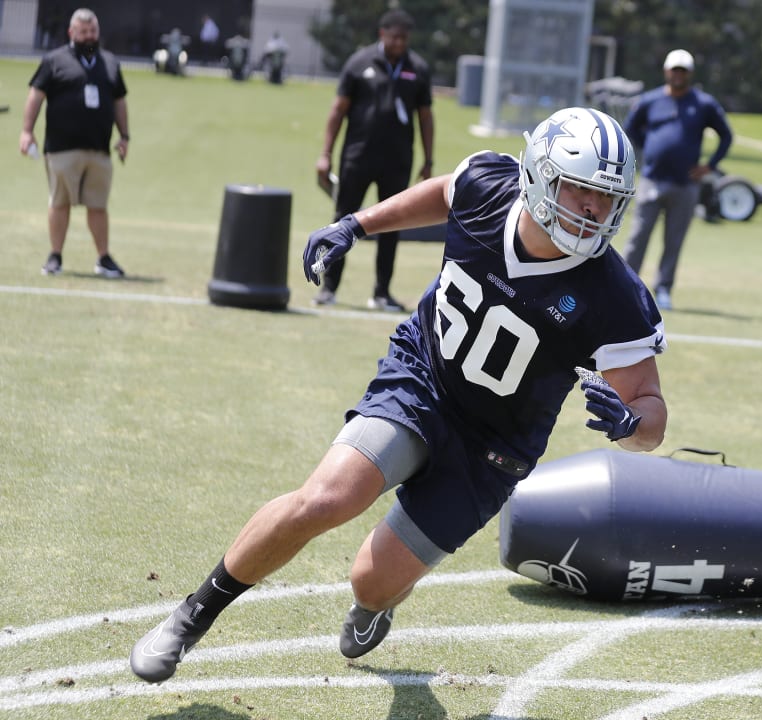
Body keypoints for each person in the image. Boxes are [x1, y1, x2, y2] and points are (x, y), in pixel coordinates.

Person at [130, 106, 668, 684]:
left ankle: (377, 603)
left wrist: (629, 424)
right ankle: (192, 615)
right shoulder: (490, 185)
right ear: (538, 176)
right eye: (581, 190)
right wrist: (356, 225)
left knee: (370, 580)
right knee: (326, 499)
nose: (593, 212)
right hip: (423, 378)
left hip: (493, 449)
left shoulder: (614, 296)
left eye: (607, 199)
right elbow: (445, 194)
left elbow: (651, 413)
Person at [314, 9, 435, 311]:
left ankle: (382, 293)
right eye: (394, 37)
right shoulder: (359, 63)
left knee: (392, 224)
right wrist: (325, 154)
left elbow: (425, 117)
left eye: (404, 38)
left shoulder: (417, 69)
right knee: (343, 219)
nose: (399, 43)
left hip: (397, 161)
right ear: (382, 34)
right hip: (357, 157)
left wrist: (428, 159)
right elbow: (337, 111)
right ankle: (328, 288)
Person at [619, 48, 733, 311]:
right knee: (637, 237)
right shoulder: (650, 100)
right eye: (675, 70)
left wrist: (710, 166)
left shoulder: (703, 104)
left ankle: (663, 289)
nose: (678, 75)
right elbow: (630, 129)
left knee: (674, 241)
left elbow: (726, 136)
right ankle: (624, 286)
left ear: (689, 73)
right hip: (652, 180)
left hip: (686, 185)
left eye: (683, 71)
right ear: (666, 71)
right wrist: (647, 150)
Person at [19, 7, 129, 279]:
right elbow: (35, 96)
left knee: (98, 206)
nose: (89, 36)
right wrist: (26, 131)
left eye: (93, 31)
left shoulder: (110, 63)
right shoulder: (54, 61)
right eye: (83, 32)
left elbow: (119, 102)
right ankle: (55, 256)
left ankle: (103, 258)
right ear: (72, 32)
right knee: (59, 203)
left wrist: (125, 135)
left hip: (99, 149)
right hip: (62, 148)